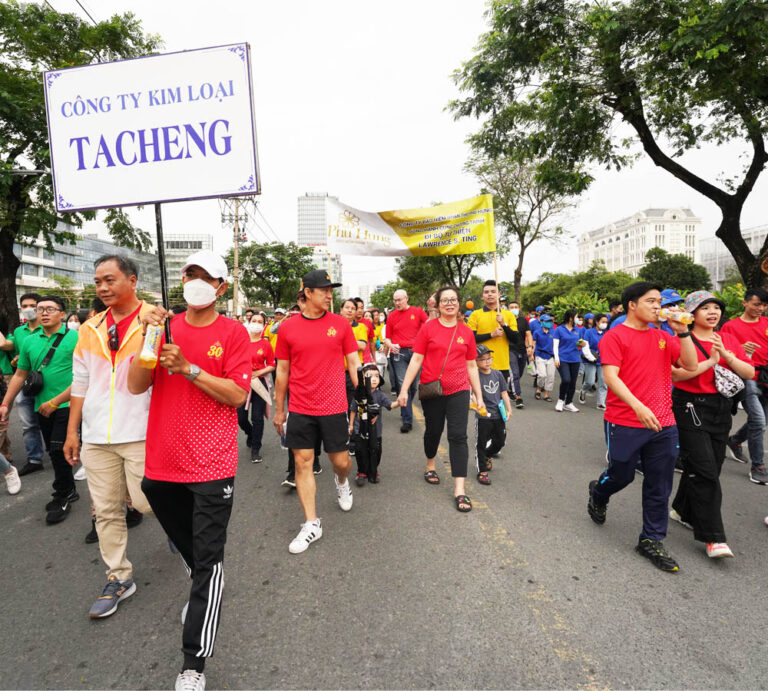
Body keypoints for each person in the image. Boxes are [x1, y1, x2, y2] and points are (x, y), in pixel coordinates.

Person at [128, 249, 251, 691]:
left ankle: (193, 664)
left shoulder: (234, 332)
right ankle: (202, 580)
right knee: (196, 558)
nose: (194, 281)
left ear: (221, 286)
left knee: (209, 561)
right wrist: (148, 336)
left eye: (204, 275)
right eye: (189, 274)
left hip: (212, 465)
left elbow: (238, 396)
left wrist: (190, 368)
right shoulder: (164, 327)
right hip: (162, 465)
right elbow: (136, 384)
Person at [61, 256, 155, 616]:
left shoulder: (156, 319)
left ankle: (179, 532)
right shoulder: (90, 327)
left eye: (110, 279)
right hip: (97, 434)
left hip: (142, 430)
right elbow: (81, 381)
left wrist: (155, 330)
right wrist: (74, 431)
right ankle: (119, 575)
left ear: (132, 280)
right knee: (106, 510)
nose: (102, 287)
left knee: (149, 502)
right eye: (98, 281)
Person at [586, 282, 697, 572]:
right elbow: (611, 377)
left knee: (660, 484)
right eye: (651, 301)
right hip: (624, 420)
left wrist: (682, 332)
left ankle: (651, 539)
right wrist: (638, 406)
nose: (658, 306)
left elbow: (690, 364)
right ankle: (599, 493)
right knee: (621, 474)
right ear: (632, 304)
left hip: (664, 422)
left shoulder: (663, 336)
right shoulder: (615, 336)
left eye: (659, 301)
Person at [273, 269, 361, 554]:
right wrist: (279, 410)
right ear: (307, 293)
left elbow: (352, 361)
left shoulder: (340, 324)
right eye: (322, 289)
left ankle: (341, 481)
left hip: (334, 406)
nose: (328, 294)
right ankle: (312, 523)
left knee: (341, 462)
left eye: (330, 289)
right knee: (302, 462)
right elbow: (282, 371)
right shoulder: (287, 328)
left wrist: (362, 390)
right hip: (300, 407)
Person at [668, 291, 754, 559]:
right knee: (705, 470)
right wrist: (710, 362)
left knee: (711, 466)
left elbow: (749, 372)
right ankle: (713, 537)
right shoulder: (680, 339)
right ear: (691, 314)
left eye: (716, 307)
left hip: (721, 408)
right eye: (704, 308)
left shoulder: (727, 339)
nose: (712, 311)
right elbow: (679, 375)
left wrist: (726, 355)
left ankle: (682, 510)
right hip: (690, 406)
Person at [396, 286, 485, 513]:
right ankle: (430, 463)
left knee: (458, 436)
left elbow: (471, 365)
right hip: (432, 390)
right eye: (444, 300)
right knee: (433, 431)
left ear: (458, 303)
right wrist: (404, 389)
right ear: (437, 304)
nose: (449, 303)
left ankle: (459, 489)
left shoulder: (466, 332)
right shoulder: (428, 329)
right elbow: (416, 360)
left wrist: (479, 395)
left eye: (453, 300)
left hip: (459, 390)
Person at [0, 295, 78, 523]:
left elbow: (87, 373)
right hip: (41, 405)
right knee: (55, 451)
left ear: (62, 314)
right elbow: (20, 374)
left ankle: (62, 494)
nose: (43, 313)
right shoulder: (29, 341)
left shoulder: (76, 338)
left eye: (50, 309)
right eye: (39, 309)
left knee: (56, 448)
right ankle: (70, 488)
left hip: (69, 404)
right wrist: (6, 403)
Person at [720, 287, 768, 484]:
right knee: (758, 421)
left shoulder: (766, 323)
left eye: (764, 305)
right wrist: (739, 349)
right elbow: (721, 352)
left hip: (766, 375)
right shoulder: (730, 327)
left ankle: (735, 440)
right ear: (745, 303)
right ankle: (758, 466)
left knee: (762, 420)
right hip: (746, 377)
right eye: (757, 304)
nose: (761, 309)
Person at [0, 292, 45, 475]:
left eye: (32, 305)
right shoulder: (18, 332)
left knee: (53, 421)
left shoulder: (50, 327)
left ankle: (60, 453)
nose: (28, 309)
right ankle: (34, 459)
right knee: (28, 424)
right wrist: (17, 360)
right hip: (25, 382)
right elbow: (15, 354)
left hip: (48, 382)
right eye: (24, 306)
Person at [384, 289, 427, 433]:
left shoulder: (418, 311)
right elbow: (387, 338)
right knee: (404, 385)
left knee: (414, 385)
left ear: (406, 298)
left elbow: (429, 326)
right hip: (399, 353)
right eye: (395, 300)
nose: (397, 303)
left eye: (399, 300)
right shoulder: (391, 316)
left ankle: (404, 406)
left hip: (416, 353)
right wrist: (390, 345)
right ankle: (407, 420)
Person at [348, 363, 399, 485]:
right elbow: (353, 410)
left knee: (375, 450)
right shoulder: (359, 395)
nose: (374, 379)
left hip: (376, 431)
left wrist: (399, 402)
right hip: (359, 429)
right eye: (370, 376)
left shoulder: (380, 395)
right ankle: (361, 472)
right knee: (360, 451)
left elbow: (390, 405)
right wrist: (350, 425)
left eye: (377, 376)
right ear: (362, 379)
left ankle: (373, 471)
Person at [237, 312, 275, 463]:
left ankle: (255, 448)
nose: (256, 323)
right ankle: (251, 433)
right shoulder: (240, 341)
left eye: (260, 321)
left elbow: (272, 364)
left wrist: (259, 372)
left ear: (264, 325)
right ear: (249, 321)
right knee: (240, 418)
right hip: (242, 383)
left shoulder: (265, 344)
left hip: (259, 383)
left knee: (257, 417)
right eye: (254, 320)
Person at [467, 280, 520, 384]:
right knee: (480, 398)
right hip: (479, 364)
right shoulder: (475, 315)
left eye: (493, 291)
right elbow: (470, 338)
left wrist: (504, 325)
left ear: (499, 294)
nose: (490, 294)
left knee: (500, 398)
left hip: (502, 364)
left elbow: (515, 339)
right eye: (486, 292)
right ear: (482, 295)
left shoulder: (508, 315)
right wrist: (491, 335)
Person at [473, 345, 512, 486]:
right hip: (483, 416)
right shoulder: (475, 375)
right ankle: (482, 470)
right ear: (476, 362)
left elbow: (503, 392)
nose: (487, 361)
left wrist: (509, 408)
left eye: (489, 358)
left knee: (500, 441)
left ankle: (487, 456)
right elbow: (472, 394)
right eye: (483, 359)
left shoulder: (497, 374)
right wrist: (476, 405)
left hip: (498, 415)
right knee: (481, 443)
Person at [553, 309, 583, 412]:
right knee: (566, 379)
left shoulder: (578, 330)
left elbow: (581, 343)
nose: (578, 319)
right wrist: (556, 358)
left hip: (575, 359)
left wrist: (583, 345)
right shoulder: (559, 329)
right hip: (562, 358)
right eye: (576, 317)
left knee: (573, 382)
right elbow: (555, 345)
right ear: (571, 318)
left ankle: (569, 402)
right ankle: (561, 400)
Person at [579, 313, 609, 409]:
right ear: (597, 322)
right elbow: (585, 346)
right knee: (590, 381)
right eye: (603, 322)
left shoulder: (607, 333)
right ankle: (583, 391)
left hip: (602, 360)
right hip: (590, 360)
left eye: (606, 322)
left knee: (603, 383)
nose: (605, 324)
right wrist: (590, 357)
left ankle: (600, 402)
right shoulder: (588, 332)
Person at [507, 300, 531, 409]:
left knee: (520, 373)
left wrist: (530, 347)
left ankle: (510, 389)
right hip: (510, 350)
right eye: (511, 307)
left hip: (522, 350)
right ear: (508, 309)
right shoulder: (505, 320)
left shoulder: (523, 321)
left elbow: (528, 334)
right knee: (515, 373)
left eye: (516, 307)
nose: (514, 309)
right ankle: (518, 397)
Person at [532, 314, 556, 401]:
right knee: (542, 375)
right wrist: (531, 355)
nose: (549, 323)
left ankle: (546, 394)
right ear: (541, 322)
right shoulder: (537, 332)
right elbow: (534, 344)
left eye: (550, 321)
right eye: (546, 321)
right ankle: (539, 389)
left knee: (551, 376)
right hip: (540, 355)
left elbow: (556, 345)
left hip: (550, 356)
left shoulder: (554, 332)